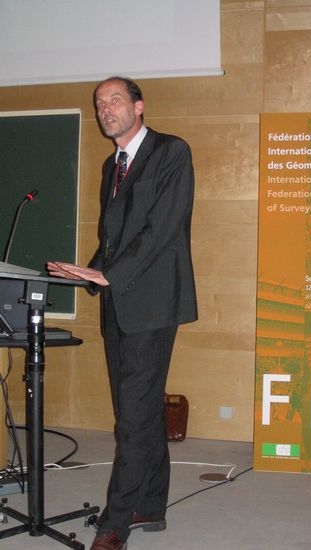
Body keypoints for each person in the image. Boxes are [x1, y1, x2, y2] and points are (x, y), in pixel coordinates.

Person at [48, 76, 197, 550]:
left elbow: (162, 228)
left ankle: (115, 524)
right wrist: (87, 273)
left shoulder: (170, 152)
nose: (106, 109)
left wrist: (110, 274)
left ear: (139, 106)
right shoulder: (111, 165)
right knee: (140, 410)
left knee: (132, 417)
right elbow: (114, 240)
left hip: (153, 302)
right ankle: (149, 505)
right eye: (99, 104)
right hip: (118, 302)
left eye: (115, 100)